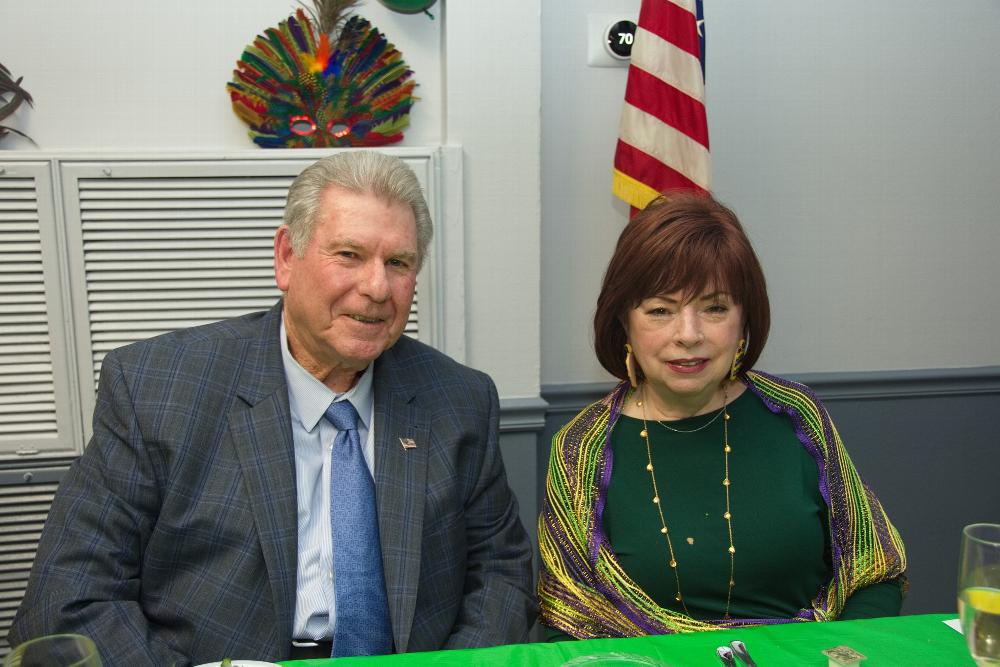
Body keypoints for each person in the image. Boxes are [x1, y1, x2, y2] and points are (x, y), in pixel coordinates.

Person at [9, 151, 536, 664]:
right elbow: (70, 598)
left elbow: (501, 574)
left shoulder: (459, 399)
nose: (377, 288)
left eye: (398, 262)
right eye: (349, 255)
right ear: (287, 257)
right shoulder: (157, 388)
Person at [537, 192, 906, 639]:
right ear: (624, 323)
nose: (688, 335)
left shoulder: (797, 414)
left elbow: (876, 574)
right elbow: (569, 619)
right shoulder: (580, 448)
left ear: (744, 319)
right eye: (660, 310)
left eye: (714, 308)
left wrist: (834, 654)